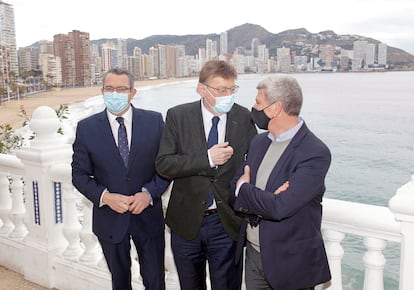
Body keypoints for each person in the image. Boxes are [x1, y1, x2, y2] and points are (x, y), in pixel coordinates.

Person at [155, 60, 257, 290]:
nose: (227, 95)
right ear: (202, 89)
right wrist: (207, 159)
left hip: (227, 223)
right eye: (221, 90)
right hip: (186, 223)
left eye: (232, 89)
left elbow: (255, 163)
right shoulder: (178, 116)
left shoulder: (244, 118)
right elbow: (164, 164)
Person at [71, 68, 171, 290]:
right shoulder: (86, 128)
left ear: (132, 92)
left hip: (148, 217)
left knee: (155, 281)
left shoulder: (154, 122)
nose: (114, 93)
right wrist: (105, 197)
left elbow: (166, 167)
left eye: (121, 89)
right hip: (109, 219)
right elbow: (78, 175)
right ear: (102, 91)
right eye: (109, 88)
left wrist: (148, 194)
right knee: (119, 281)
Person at [230, 74, 332, 290]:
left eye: (258, 102)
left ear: (275, 108)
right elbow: (233, 191)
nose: (253, 107)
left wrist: (245, 188)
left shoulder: (314, 152)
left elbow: (279, 207)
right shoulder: (258, 142)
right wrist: (256, 194)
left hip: (291, 263)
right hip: (254, 257)